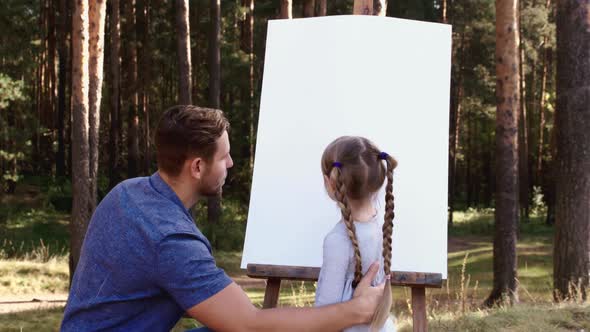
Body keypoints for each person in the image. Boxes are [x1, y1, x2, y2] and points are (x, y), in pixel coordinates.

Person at [61, 105, 386, 331]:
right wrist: (353, 311)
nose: (230, 163)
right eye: (224, 156)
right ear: (198, 167)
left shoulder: (128, 192)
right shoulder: (170, 239)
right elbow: (251, 326)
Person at [315, 136, 398, 332]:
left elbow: (325, 310)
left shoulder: (337, 240)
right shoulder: (380, 229)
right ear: (378, 183)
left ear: (330, 183)